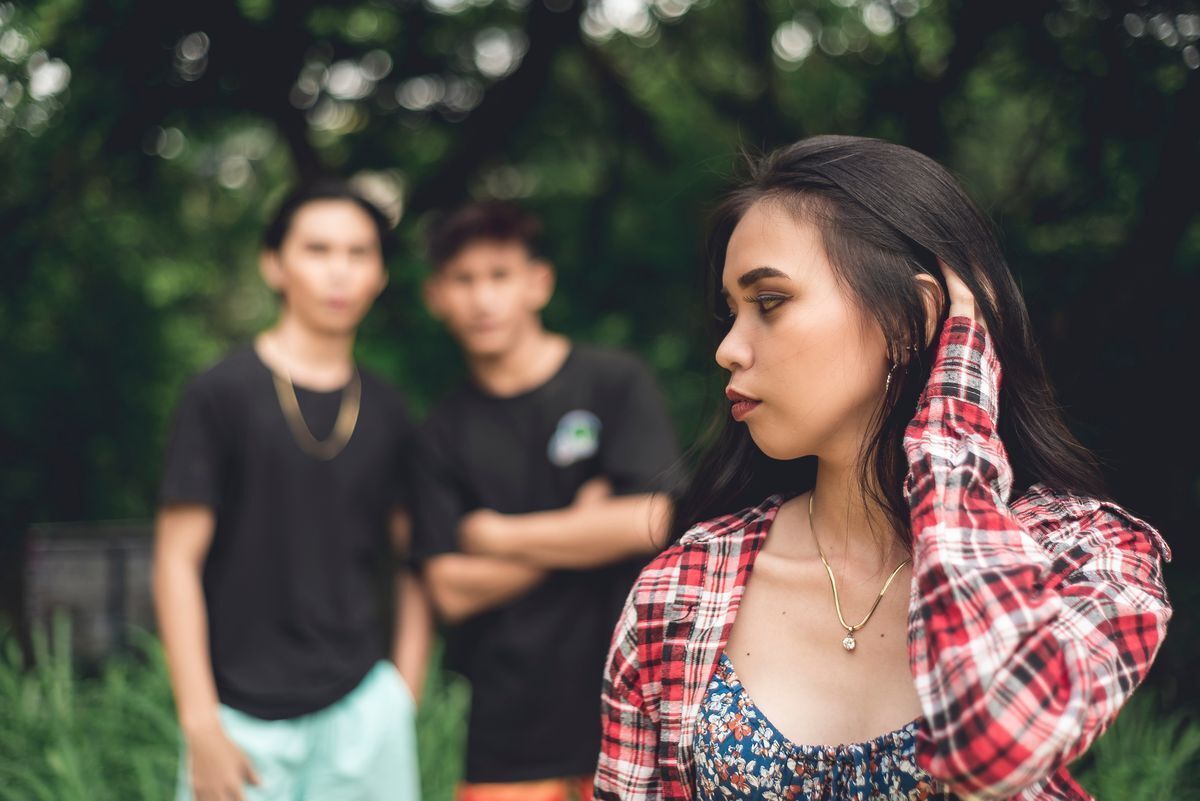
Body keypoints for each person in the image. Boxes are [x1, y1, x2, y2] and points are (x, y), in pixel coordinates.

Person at [595, 136, 1172, 801]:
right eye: (730, 313)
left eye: (770, 303)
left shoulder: (1088, 558)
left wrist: (953, 416)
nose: (728, 348)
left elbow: (999, 738)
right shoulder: (679, 590)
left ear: (911, 318)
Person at [153, 180, 430, 801]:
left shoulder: (389, 409)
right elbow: (176, 560)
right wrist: (201, 724)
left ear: (381, 274)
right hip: (239, 720)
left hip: (363, 713)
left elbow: (415, 560)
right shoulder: (219, 394)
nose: (339, 271)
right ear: (274, 264)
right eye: (317, 249)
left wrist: (399, 696)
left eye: (359, 253)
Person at [412, 201, 679, 801]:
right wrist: (585, 528)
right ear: (437, 297)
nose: (483, 299)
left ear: (538, 282)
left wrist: (499, 538)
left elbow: (654, 517)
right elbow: (449, 589)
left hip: (632, 708)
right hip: (509, 731)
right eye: (464, 280)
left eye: (499, 276)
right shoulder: (440, 432)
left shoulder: (613, 383)